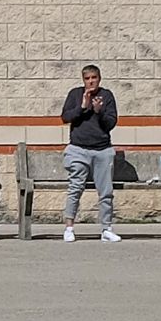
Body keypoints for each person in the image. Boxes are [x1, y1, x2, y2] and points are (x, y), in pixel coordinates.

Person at [60, 61, 121, 242]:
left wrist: (99, 111)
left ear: (99, 79)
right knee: (75, 188)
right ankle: (69, 227)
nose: (91, 82)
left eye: (94, 78)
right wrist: (83, 107)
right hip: (78, 149)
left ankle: (106, 228)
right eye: (87, 78)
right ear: (83, 80)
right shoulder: (75, 94)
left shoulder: (107, 96)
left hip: (102, 149)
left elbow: (111, 123)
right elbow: (65, 117)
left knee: (106, 191)